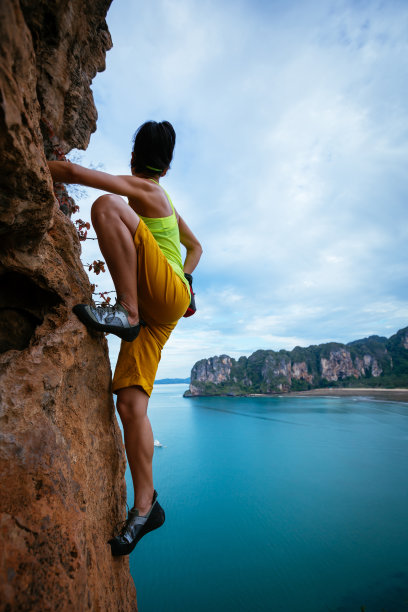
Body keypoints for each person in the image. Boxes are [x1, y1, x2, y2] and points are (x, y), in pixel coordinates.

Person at [47, 120, 202, 556]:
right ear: (166, 169)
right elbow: (196, 247)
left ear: (134, 157)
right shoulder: (161, 196)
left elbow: (76, 175)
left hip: (158, 301)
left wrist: (35, 164)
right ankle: (145, 510)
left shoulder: (144, 191)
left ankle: (126, 311)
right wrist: (188, 278)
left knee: (106, 206)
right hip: (164, 311)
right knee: (131, 405)